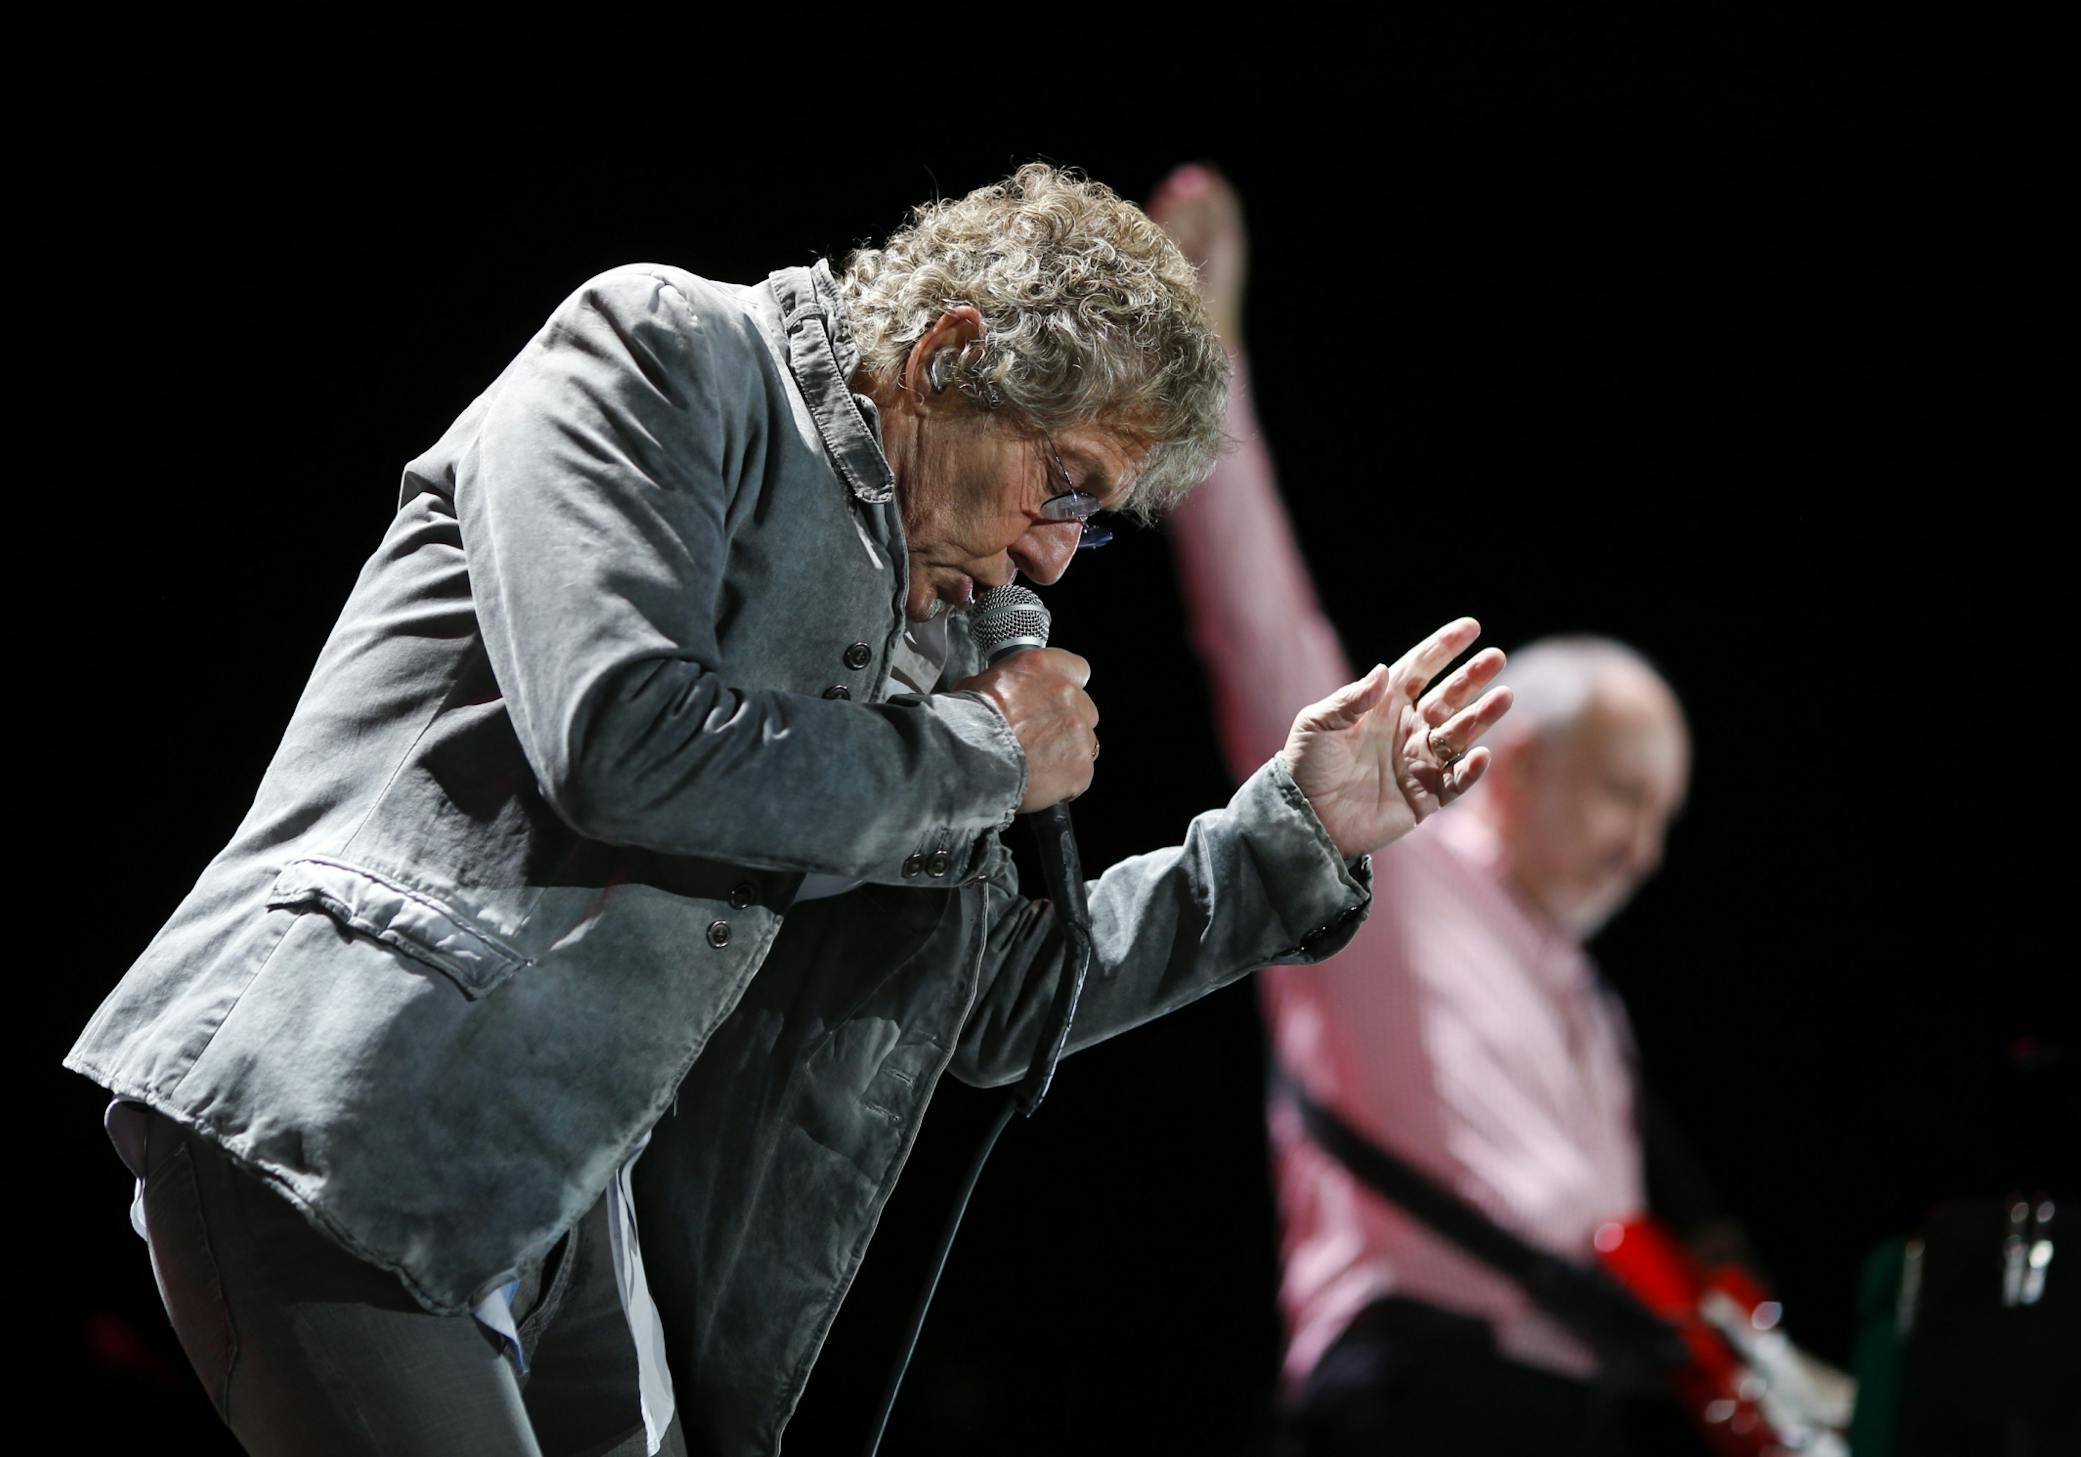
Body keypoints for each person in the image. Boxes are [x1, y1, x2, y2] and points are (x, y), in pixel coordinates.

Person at [64, 164, 1512, 1457]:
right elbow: (620, 735)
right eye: (1060, 486)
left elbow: (983, 998)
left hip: (572, 1196)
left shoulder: (928, 637)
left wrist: (1289, 838)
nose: (1057, 561)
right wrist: (978, 758)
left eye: (1092, 520)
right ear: (951, 355)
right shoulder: (662, 352)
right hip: (352, 1108)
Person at [1153, 164, 1765, 1456]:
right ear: (1521, 759)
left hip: (1573, 1416)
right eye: (1623, 794)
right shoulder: (1393, 871)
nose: (1646, 848)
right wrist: (1211, 359)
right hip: (1415, 1403)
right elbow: (1265, 630)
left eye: (1664, 817)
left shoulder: (1591, 1001)